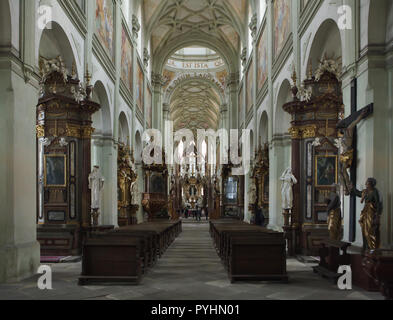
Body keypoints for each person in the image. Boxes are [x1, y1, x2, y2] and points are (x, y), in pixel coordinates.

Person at [353, 178, 383, 250]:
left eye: (367, 183)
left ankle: (372, 248)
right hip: (365, 212)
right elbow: (358, 193)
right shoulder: (365, 191)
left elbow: (379, 204)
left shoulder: (375, 192)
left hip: (371, 213)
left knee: (370, 231)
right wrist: (353, 188)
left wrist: (377, 216)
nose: (366, 185)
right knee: (364, 230)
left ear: (372, 184)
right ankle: (366, 247)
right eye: (366, 183)